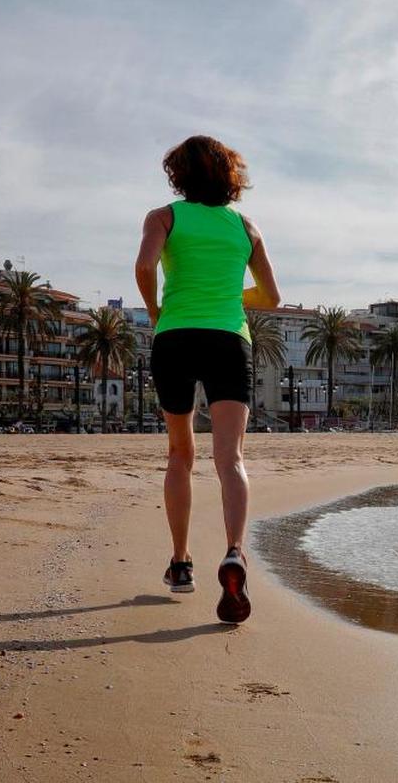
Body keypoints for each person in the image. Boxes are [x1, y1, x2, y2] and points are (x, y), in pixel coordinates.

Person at [135, 135, 281, 623]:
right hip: (227, 340)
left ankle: (181, 564)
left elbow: (144, 266)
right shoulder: (246, 226)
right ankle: (235, 551)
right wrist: (227, 296)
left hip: (175, 336)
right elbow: (272, 297)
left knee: (180, 453)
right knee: (230, 458)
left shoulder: (164, 217)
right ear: (229, 175)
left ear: (178, 174)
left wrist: (158, 309)